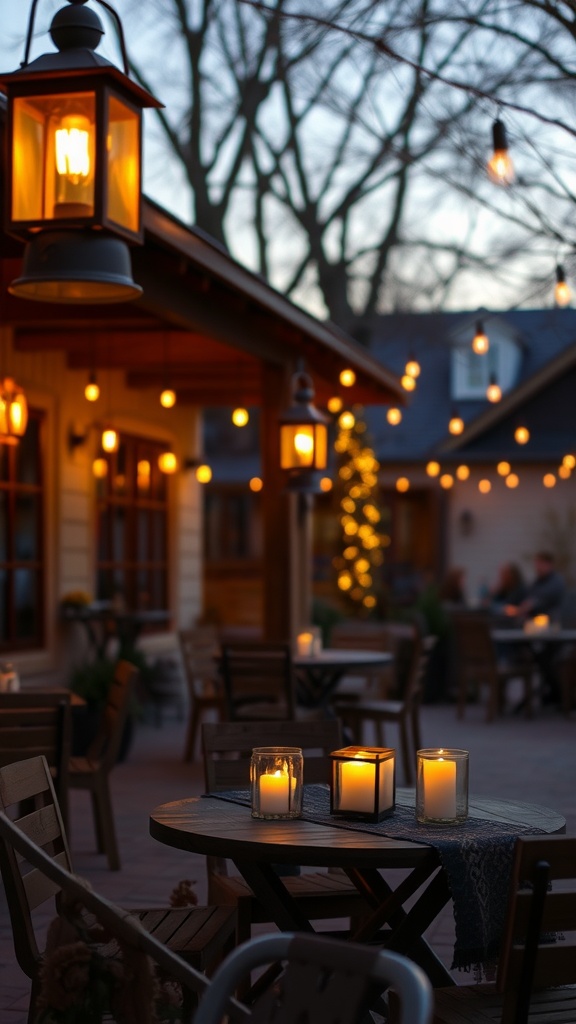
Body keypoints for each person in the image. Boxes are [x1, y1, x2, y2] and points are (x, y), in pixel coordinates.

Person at [512, 551, 565, 622]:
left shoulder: (556, 581)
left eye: (540, 564)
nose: (537, 567)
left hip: (550, 620)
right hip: (534, 619)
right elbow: (530, 595)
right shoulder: (537, 581)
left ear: (549, 564)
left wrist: (531, 605)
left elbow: (546, 597)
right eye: (537, 564)